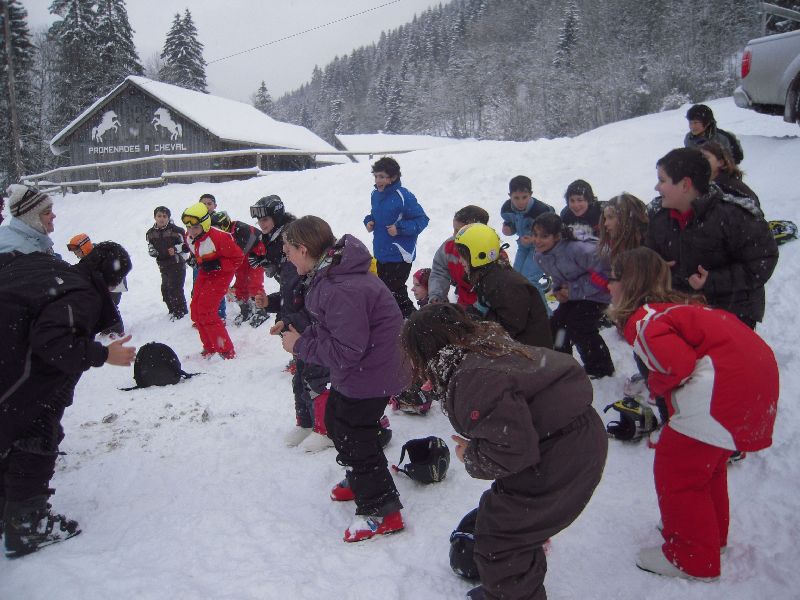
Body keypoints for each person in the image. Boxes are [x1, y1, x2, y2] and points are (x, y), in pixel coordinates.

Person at [401, 303, 607, 600]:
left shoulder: (470, 377)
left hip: (563, 451)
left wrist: (471, 455)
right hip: (569, 436)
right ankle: (520, 574)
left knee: (500, 539)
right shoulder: (484, 349)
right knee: (508, 517)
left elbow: (511, 451)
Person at [607, 247, 778, 582]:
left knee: (678, 470)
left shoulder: (642, 319)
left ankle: (692, 556)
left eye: (613, 278)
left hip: (722, 390)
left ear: (628, 283)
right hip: (754, 383)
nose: (608, 286)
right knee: (706, 466)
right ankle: (711, 537)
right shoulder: (677, 307)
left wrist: (657, 383)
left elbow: (677, 364)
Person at [0, 242, 136, 557]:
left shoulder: (47, 265)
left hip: (8, 358)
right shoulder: (83, 294)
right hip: (14, 373)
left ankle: (8, 505)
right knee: (37, 431)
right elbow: (51, 340)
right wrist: (104, 354)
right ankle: (27, 523)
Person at [279, 216, 406, 542]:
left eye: (289, 250)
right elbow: (335, 328)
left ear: (304, 249)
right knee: (338, 421)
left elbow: (347, 349)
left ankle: (381, 510)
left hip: (375, 370)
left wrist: (301, 345)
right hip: (367, 366)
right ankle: (365, 475)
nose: (287, 256)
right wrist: (303, 334)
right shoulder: (331, 273)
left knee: (352, 433)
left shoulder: (340, 285)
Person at [646, 147, 778, 329]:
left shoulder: (733, 216)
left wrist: (713, 280)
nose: (656, 187)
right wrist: (653, 264)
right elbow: (647, 253)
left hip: (730, 315)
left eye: (662, 180)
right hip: (681, 311)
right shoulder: (658, 217)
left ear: (685, 185)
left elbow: (762, 261)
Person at [532, 213, 614, 378]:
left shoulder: (580, 250)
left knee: (579, 325)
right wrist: (557, 290)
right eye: (535, 235)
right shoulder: (540, 255)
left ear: (557, 236)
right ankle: (561, 364)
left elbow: (604, 277)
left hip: (598, 294)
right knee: (556, 325)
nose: (537, 240)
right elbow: (557, 277)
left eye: (544, 236)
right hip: (575, 295)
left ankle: (600, 367)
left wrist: (572, 290)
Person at [454, 223, 553, 349]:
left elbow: (510, 327)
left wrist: (476, 322)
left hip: (531, 355)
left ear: (479, 254)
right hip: (518, 350)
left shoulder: (504, 284)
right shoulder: (489, 276)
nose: (460, 261)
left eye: (463, 256)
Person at [363, 156, 429, 318]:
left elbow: (422, 220)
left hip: (399, 254)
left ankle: (415, 322)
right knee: (385, 291)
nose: (378, 180)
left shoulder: (403, 196)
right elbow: (375, 214)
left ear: (393, 178)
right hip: (381, 252)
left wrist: (399, 229)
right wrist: (369, 221)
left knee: (395, 292)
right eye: (376, 176)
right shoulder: (375, 194)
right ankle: (394, 323)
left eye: (382, 177)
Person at [181, 202, 243, 359]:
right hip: (205, 272)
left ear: (204, 224)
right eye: (188, 227)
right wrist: (196, 260)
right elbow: (197, 250)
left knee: (207, 310)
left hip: (221, 275)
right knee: (196, 309)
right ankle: (210, 346)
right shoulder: (189, 237)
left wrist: (218, 264)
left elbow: (238, 258)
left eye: (195, 227)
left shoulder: (220, 237)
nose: (191, 231)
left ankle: (225, 349)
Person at [500, 175, 554, 302]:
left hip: (543, 249)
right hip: (523, 247)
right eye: (516, 198)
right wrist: (508, 229)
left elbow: (552, 234)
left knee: (530, 279)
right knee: (516, 278)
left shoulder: (541, 211)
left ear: (531, 194)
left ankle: (545, 315)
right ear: (510, 195)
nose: (520, 201)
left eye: (524, 197)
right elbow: (511, 224)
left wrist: (533, 239)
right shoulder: (507, 209)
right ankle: (526, 308)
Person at [210, 210, 268, 327]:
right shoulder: (221, 235)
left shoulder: (241, 228)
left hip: (256, 255)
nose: (218, 230)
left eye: (219, 227)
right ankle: (245, 309)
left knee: (254, 283)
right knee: (240, 283)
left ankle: (261, 310)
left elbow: (245, 246)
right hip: (241, 257)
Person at [428, 205, 490, 306]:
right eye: (455, 230)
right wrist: (437, 295)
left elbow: (497, 288)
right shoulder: (449, 246)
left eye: (460, 231)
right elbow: (439, 271)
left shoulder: (491, 253)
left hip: (485, 307)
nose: (455, 235)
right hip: (463, 303)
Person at [68, 233, 126, 336]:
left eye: (77, 251)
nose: (76, 254)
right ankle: (109, 327)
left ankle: (117, 329)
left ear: (84, 247)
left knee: (110, 305)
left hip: (115, 284)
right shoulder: (90, 256)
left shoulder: (99, 255)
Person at [146, 206, 189, 320]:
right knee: (165, 289)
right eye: (159, 216)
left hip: (177, 263)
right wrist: (152, 251)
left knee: (175, 288)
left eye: (164, 216)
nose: (162, 219)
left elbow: (187, 246)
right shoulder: (150, 233)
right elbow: (150, 246)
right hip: (163, 265)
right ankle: (172, 310)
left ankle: (181, 312)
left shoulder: (177, 230)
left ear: (169, 218)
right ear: (155, 217)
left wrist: (175, 249)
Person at [698, 141, 760, 206]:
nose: (700, 161)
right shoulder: (701, 186)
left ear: (720, 162)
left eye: (705, 158)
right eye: (699, 158)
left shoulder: (733, 189)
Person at [0, 184, 56, 254]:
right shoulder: (26, 252)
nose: (54, 216)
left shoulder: (11, 233)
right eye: (47, 213)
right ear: (31, 219)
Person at [195, 193, 226, 320]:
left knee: (216, 288)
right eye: (203, 204)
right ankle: (203, 315)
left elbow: (225, 239)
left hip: (215, 261)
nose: (206, 206)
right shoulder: (195, 219)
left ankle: (219, 315)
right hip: (200, 261)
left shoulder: (219, 220)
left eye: (209, 203)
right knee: (200, 288)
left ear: (215, 205)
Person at [597, 193, 649, 265]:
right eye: (605, 219)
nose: (605, 223)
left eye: (610, 217)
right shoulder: (612, 246)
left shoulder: (648, 250)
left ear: (626, 218)